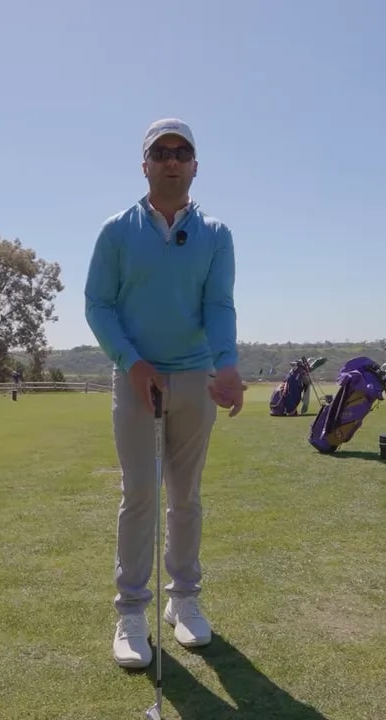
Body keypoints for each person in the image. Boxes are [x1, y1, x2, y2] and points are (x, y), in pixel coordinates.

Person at [84, 118, 247, 669]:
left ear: (196, 165)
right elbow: (98, 305)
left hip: (195, 380)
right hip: (136, 382)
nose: (172, 160)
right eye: (161, 152)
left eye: (182, 152)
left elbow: (219, 306)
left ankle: (185, 602)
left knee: (186, 497)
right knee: (140, 496)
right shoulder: (116, 231)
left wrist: (226, 365)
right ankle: (131, 612)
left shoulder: (216, 235)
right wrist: (131, 363)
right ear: (145, 164)